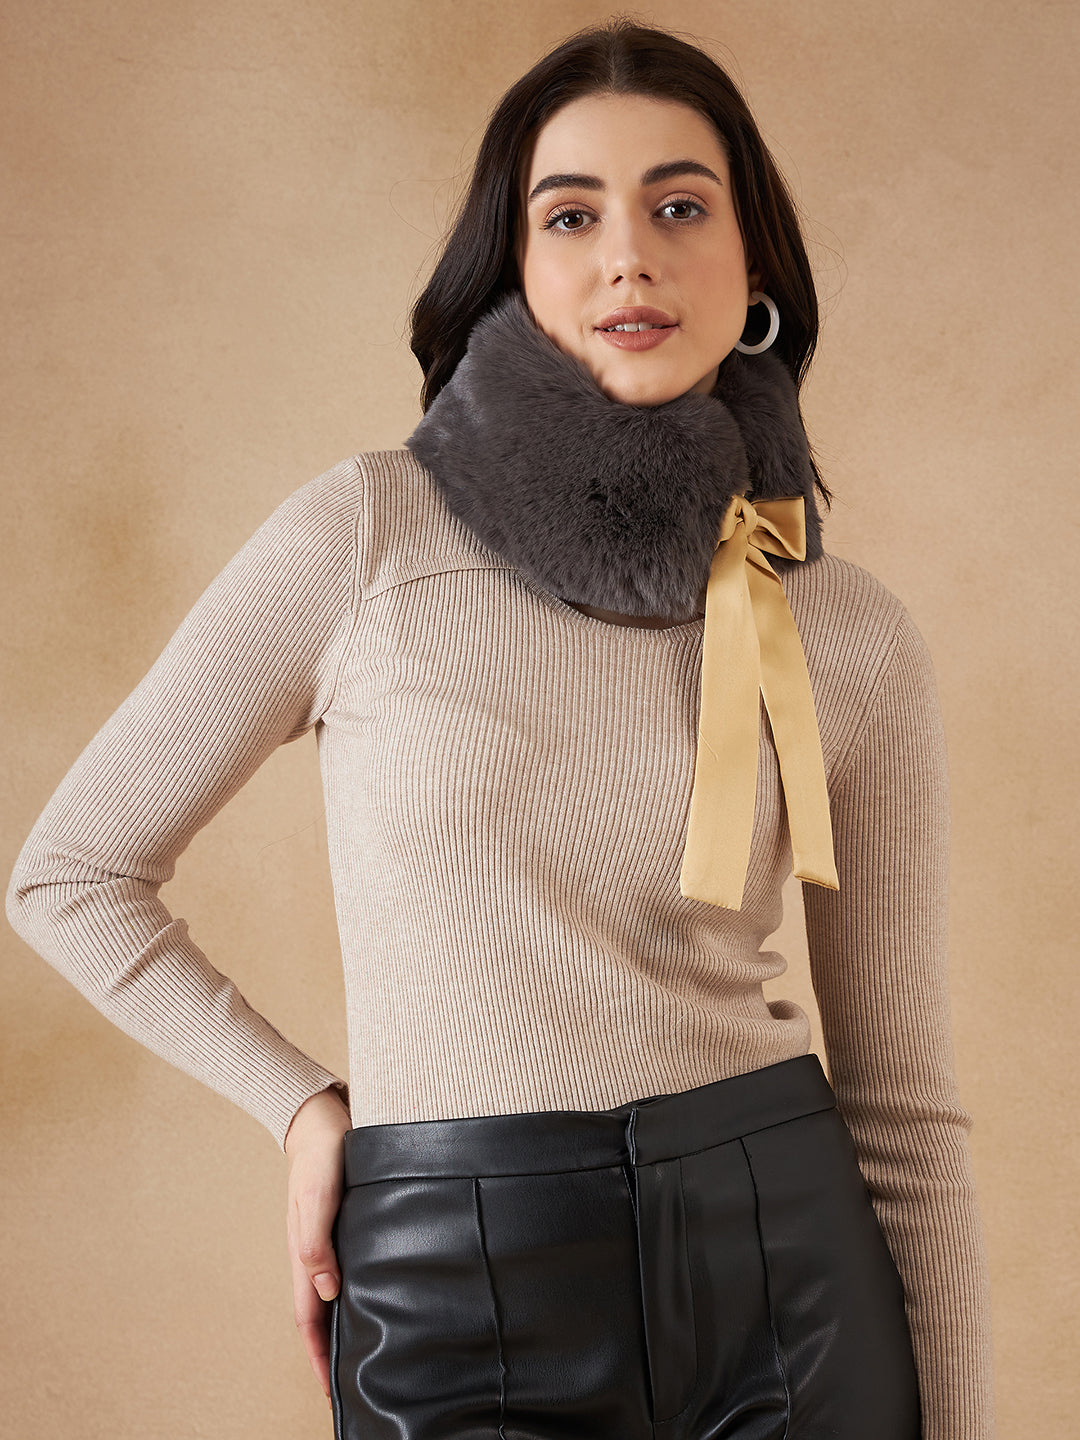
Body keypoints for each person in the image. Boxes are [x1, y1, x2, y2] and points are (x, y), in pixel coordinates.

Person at [6, 18, 994, 1440]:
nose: (629, 258)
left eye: (680, 207)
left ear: (756, 265)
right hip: (457, 1288)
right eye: (571, 216)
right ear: (515, 267)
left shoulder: (844, 625)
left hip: (791, 1285)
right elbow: (72, 874)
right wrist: (299, 1106)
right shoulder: (365, 538)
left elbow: (903, 1109)